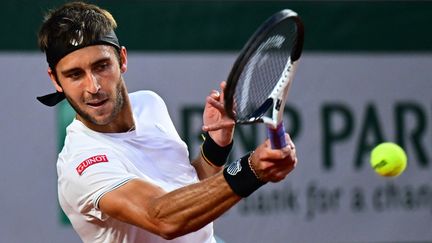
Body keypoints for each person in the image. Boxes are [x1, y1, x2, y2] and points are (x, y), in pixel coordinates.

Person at [37, 2, 298, 243]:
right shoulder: (81, 165)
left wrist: (217, 146)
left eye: (101, 66)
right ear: (55, 80)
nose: (93, 86)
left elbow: (188, 189)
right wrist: (250, 170)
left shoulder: (149, 104)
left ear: (122, 59)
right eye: (74, 75)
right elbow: (162, 216)